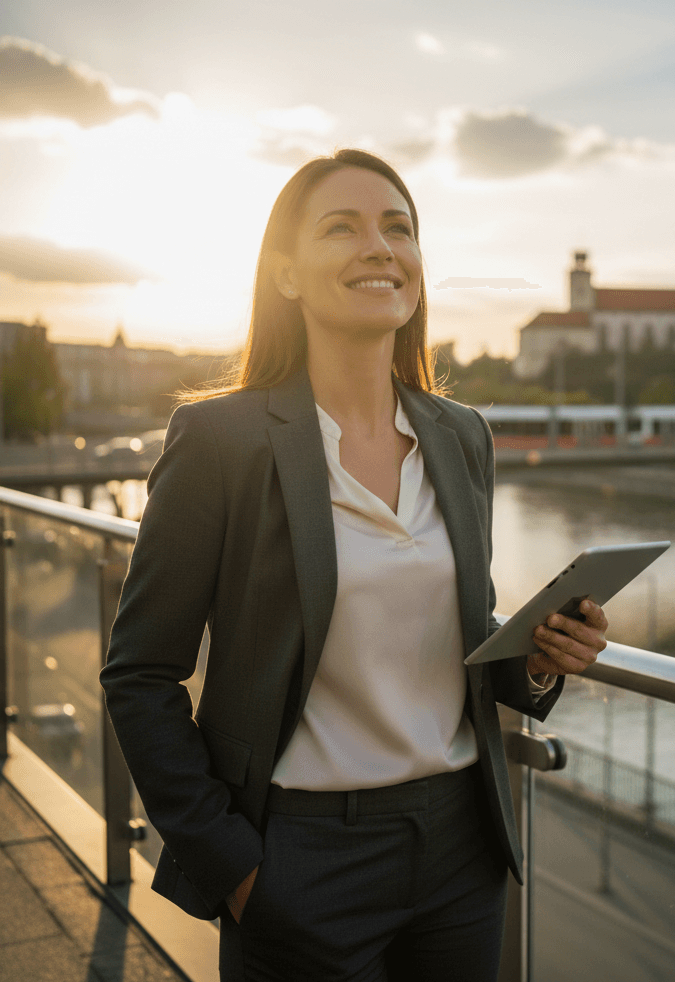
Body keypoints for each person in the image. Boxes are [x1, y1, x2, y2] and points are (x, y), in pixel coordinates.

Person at [100, 148, 608, 982]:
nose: (380, 246)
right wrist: (237, 868)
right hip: (298, 853)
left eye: (398, 228)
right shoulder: (220, 442)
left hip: (462, 850)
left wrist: (544, 659)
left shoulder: (461, 434)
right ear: (288, 274)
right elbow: (140, 674)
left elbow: (466, 634)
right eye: (343, 227)